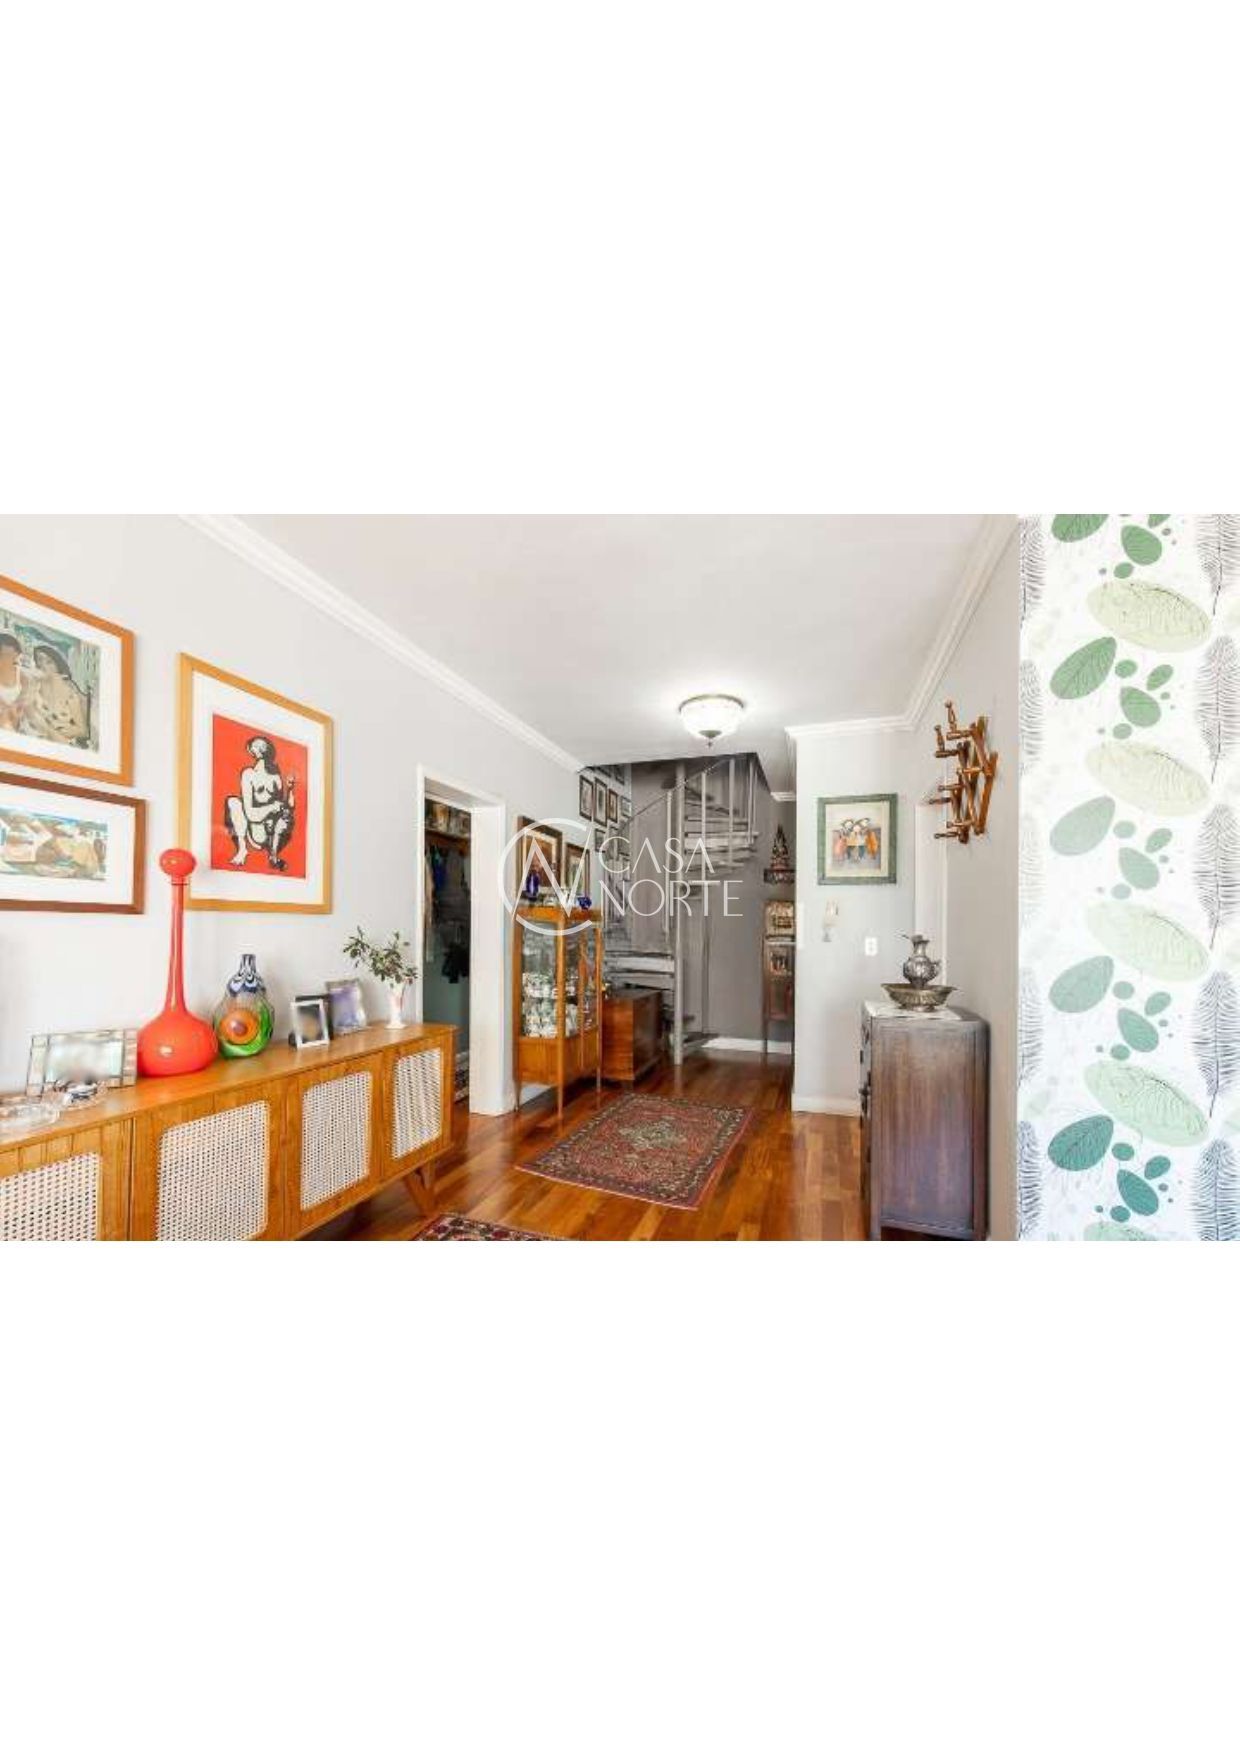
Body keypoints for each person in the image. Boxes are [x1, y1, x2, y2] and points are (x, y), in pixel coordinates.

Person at [224, 735, 296, 870]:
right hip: (254, 831)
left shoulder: (276, 777)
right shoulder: (249, 774)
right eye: (258, 745)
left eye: (264, 745)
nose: (262, 747)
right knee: (233, 802)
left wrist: (290, 789)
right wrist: (272, 807)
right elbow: (251, 814)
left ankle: (273, 855)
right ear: (252, 751)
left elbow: (287, 808)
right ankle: (242, 849)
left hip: (271, 834)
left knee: (287, 817)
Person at [21, 644, 90, 746]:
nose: (42, 665)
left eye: (48, 662)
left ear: (58, 667)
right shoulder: (33, 686)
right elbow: (24, 712)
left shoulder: (70, 693)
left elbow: (82, 731)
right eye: (39, 661)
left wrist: (50, 731)